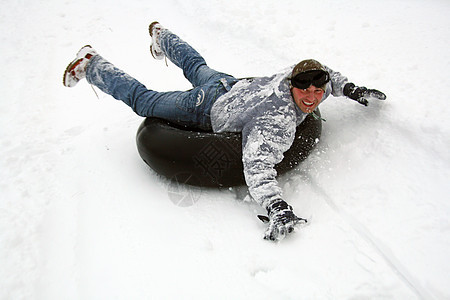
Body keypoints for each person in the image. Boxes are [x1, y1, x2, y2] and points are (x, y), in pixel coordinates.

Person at [63, 22, 386, 242]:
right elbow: (258, 165)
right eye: (306, 92)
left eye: (319, 91)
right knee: (145, 101)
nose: (313, 97)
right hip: (204, 107)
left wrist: (352, 89)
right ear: (292, 84)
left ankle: (162, 36)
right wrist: (277, 206)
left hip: (230, 85)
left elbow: (329, 74)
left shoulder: (304, 78)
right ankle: (91, 65)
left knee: (198, 67)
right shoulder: (275, 121)